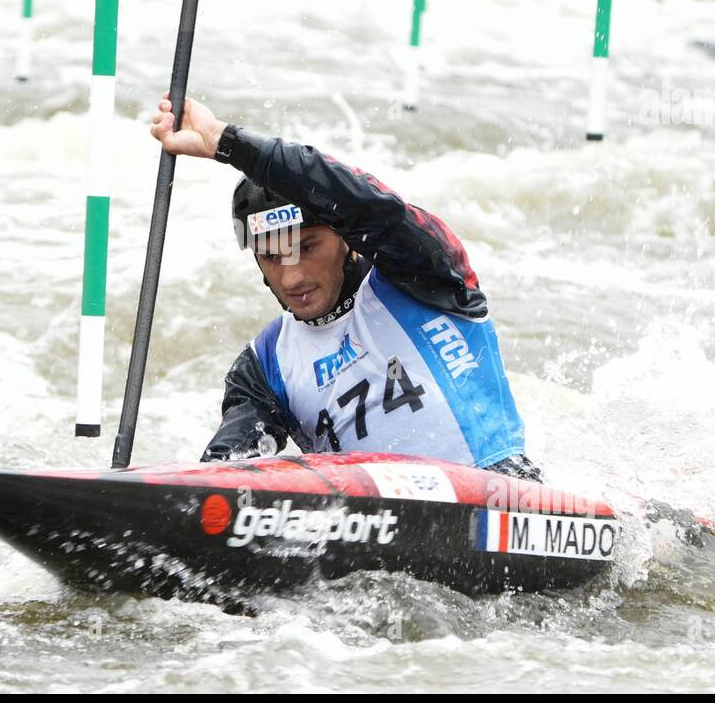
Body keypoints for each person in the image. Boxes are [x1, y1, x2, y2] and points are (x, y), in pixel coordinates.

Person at [149, 95, 542, 481]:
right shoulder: (266, 365)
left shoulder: (421, 271)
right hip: (370, 530)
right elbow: (225, 474)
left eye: (307, 247)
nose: (292, 277)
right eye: (271, 257)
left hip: (498, 492)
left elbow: (362, 201)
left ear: (346, 236)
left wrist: (226, 141)